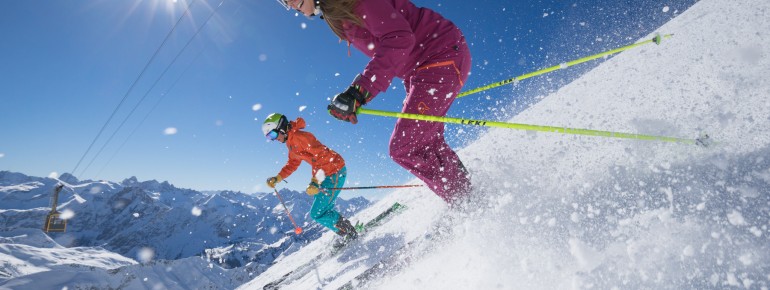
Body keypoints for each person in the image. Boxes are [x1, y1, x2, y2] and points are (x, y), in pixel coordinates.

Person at [276, 0, 473, 206]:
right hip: (422, 68)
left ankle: (464, 202)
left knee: (405, 147)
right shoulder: (337, 11)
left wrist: (360, 92)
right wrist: (356, 97)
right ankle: (466, 195)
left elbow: (399, 38)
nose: (288, 4)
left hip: (440, 55)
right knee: (427, 142)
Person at [262, 113, 358, 241]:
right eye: (269, 137)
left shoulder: (300, 137)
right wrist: (278, 178)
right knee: (322, 210)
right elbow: (293, 163)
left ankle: (349, 233)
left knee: (317, 213)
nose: (274, 139)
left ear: (281, 127)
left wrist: (315, 181)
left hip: (334, 171)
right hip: (325, 174)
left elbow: (322, 156)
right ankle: (346, 232)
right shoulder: (291, 141)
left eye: (273, 135)